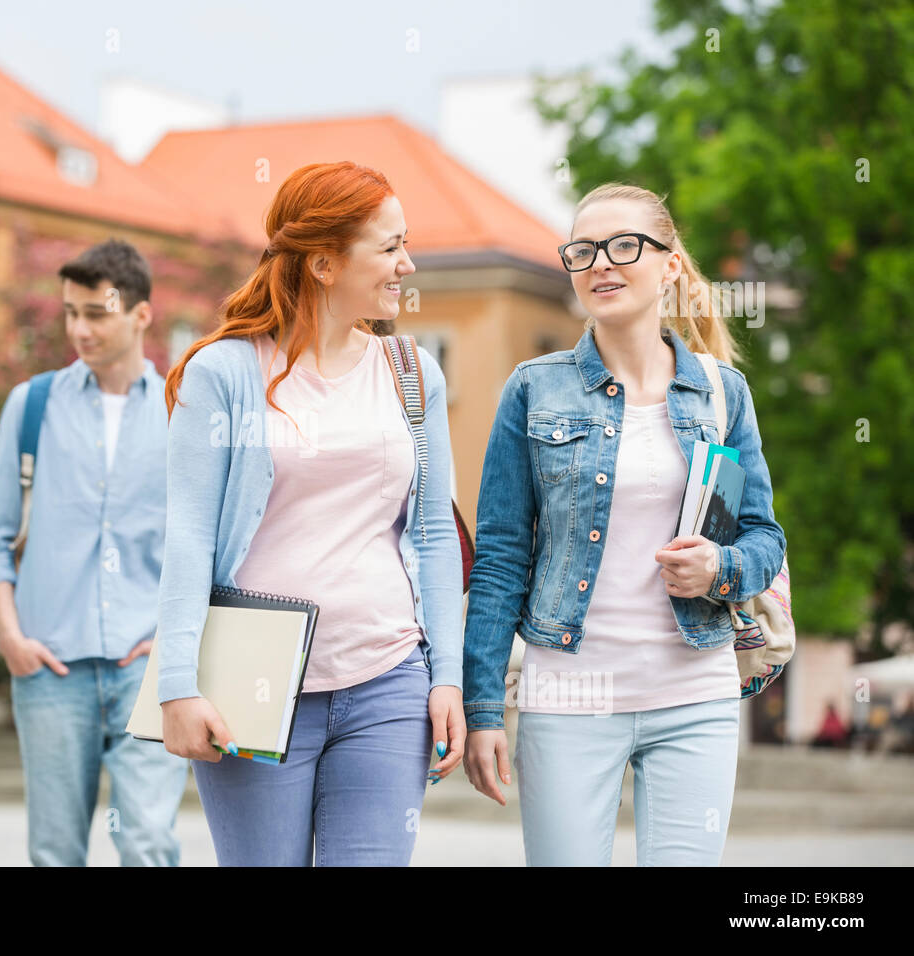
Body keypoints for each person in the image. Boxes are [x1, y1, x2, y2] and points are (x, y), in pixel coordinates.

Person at [462, 183, 786, 866]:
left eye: (624, 246)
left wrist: (720, 568)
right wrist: (483, 707)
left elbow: (764, 538)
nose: (601, 263)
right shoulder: (532, 388)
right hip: (568, 696)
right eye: (583, 251)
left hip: (694, 693)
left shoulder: (723, 392)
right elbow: (498, 558)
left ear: (670, 264)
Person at [158, 161, 464, 866]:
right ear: (324, 262)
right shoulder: (225, 374)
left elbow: (434, 537)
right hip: (253, 686)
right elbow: (189, 535)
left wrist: (445, 673)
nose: (406, 264)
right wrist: (178, 683)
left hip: (388, 678)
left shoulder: (412, 372)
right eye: (388, 248)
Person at [0, 238, 188, 867]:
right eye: (71, 312)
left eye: (96, 313)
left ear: (142, 315)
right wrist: (11, 637)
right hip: (49, 668)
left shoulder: (184, 410)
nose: (79, 328)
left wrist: (176, 640)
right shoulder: (32, 405)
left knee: (147, 842)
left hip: (146, 667)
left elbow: (212, 544)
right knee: (54, 852)